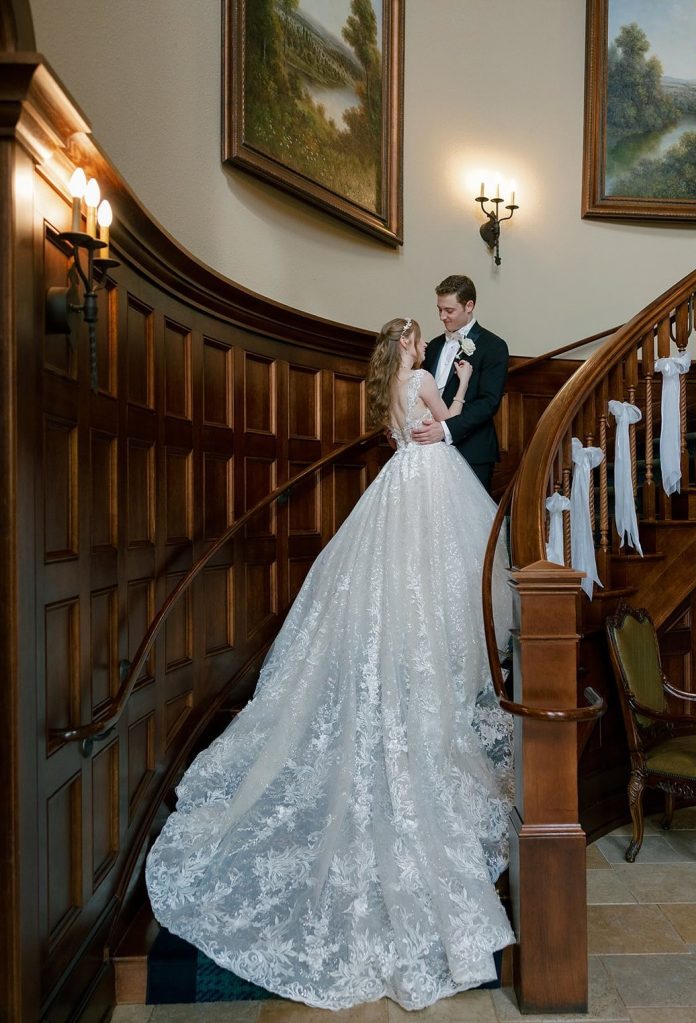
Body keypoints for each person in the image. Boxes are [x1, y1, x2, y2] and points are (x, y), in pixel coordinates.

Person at [145, 317, 515, 1012]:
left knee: (397, 580)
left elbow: (410, 432)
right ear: (409, 346)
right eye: (415, 336)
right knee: (443, 580)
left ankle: (405, 656)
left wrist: (435, 413)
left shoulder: (391, 391)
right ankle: (427, 663)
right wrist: (460, 384)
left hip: (402, 483)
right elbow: (451, 420)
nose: (419, 343)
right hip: (430, 482)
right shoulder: (428, 379)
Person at [414, 274, 509, 493]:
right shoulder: (434, 346)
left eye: (449, 310)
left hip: (472, 450)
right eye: (439, 309)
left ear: (469, 305)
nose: (442, 317)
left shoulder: (493, 346)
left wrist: (446, 429)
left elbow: (488, 402)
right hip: (431, 450)